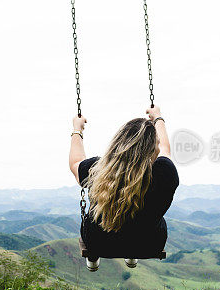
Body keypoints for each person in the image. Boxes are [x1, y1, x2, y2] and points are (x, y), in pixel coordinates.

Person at [68, 106, 178, 272]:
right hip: (148, 244)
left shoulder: (98, 169)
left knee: (99, 221)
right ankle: (132, 253)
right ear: (151, 149)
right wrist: (158, 118)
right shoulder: (164, 173)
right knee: (146, 221)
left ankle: (93, 257)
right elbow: (165, 148)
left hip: (99, 242)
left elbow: (75, 162)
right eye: (156, 143)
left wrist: (77, 129)